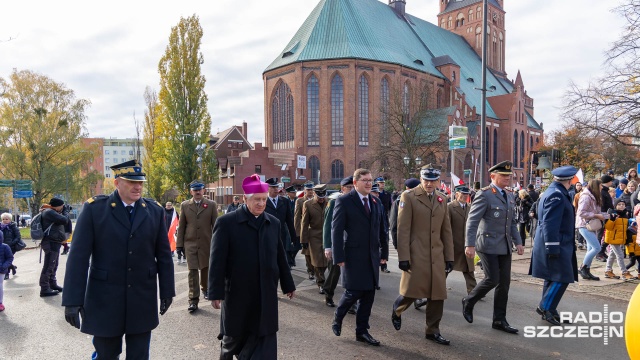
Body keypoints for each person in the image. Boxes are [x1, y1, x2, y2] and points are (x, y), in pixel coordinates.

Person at [62, 160, 175, 359]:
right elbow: (78, 258)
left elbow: (164, 256)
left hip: (142, 298)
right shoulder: (95, 210)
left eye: (140, 182)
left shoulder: (154, 211)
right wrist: (72, 300)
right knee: (106, 354)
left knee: (139, 355)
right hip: (105, 299)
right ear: (117, 183)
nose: (138, 186)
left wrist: (167, 291)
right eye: (131, 182)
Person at [209, 174, 295, 359]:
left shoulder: (273, 223)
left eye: (264, 199)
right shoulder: (226, 223)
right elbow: (217, 261)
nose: (261, 204)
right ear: (245, 199)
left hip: (266, 293)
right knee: (233, 340)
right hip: (238, 294)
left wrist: (288, 284)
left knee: (264, 339)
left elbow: (280, 256)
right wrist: (215, 293)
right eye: (257, 199)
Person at [392, 164, 454, 345]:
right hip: (416, 252)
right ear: (420, 179)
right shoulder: (409, 197)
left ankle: (432, 330)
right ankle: (397, 309)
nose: (429, 183)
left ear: (438, 181)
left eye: (433, 180)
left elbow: (446, 231)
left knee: (437, 294)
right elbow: (403, 229)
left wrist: (449, 257)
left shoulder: (442, 199)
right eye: (426, 179)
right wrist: (403, 257)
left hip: (437, 254)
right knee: (412, 290)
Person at [462, 160, 524, 334]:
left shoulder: (510, 195)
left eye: (508, 176)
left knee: (504, 283)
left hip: (504, 245)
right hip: (487, 244)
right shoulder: (485, 194)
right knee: (492, 279)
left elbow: (512, 223)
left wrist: (518, 241)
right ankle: (469, 300)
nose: (507, 178)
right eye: (503, 175)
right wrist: (470, 244)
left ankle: (499, 319)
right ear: (492, 176)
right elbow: (472, 221)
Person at [331, 168, 387, 346]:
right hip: (353, 255)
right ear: (355, 183)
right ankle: (338, 317)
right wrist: (338, 255)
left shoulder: (376, 202)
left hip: (371, 255)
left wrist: (384, 253)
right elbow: (336, 230)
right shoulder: (344, 201)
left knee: (369, 294)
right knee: (353, 292)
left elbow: (381, 230)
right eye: (365, 180)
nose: (369, 183)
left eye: (371, 180)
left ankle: (362, 331)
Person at [529, 166, 579, 326]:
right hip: (556, 243)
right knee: (562, 277)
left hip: (557, 242)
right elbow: (549, 224)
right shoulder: (556, 196)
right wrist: (552, 247)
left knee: (552, 278)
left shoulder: (556, 193)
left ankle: (550, 309)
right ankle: (545, 306)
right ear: (569, 180)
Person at [177, 179, 218, 313]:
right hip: (190, 243)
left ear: (204, 190)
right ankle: (193, 300)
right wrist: (179, 246)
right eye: (195, 190)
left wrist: (218, 244)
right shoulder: (184, 205)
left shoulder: (211, 205)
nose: (198, 192)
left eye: (200, 189)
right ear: (191, 192)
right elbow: (182, 226)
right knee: (192, 271)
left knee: (206, 268)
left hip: (207, 243)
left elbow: (216, 226)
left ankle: (205, 289)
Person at [323, 176, 354, 307]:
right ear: (342, 188)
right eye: (349, 187)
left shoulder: (357, 200)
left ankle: (352, 303)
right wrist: (328, 246)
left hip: (352, 244)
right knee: (334, 272)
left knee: (353, 273)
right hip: (338, 243)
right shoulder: (335, 201)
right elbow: (328, 225)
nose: (352, 190)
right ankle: (328, 293)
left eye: (353, 187)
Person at [576, 179, 609, 281]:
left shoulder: (593, 196)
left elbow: (597, 212)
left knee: (591, 249)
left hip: (590, 225)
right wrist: (596, 215)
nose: (602, 187)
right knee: (597, 248)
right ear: (596, 186)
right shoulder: (586, 197)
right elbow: (581, 213)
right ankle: (583, 267)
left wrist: (609, 216)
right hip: (584, 225)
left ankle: (587, 271)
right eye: (600, 186)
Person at [39, 197, 71, 297]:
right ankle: (44, 288)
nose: (63, 208)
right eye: (62, 206)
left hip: (54, 242)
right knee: (49, 265)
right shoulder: (49, 212)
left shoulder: (52, 212)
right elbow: (65, 220)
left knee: (53, 264)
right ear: (57, 206)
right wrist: (65, 211)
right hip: (50, 242)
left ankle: (52, 284)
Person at [448, 185, 477, 295]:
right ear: (456, 194)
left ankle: (473, 291)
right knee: (446, 268)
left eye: (467, 194)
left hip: (467, 244)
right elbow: (447, 227)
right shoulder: (450, 207)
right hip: (454, 244)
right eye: (463, 194)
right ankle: (438, 287)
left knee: (469, 268)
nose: (465, 196)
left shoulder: (470, 207)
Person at [301, 184, 329, 294]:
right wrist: (303, 240)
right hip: (314, 236)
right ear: (314, 194)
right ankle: (321, 282)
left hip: (328, 235)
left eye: (323, 196)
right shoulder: (307, 204)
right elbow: (304, 223)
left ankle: (322, 278)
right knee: (317, 261)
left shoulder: (330, 202)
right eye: (319, 196)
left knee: (327, 261)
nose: (321, 199)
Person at [264, 178, 297, 269]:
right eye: (273, 187)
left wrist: (294, 237)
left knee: (281, 256)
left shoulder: (284, 201)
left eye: (276, 187)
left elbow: (289, 221)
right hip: (267, 234)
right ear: (267, 188)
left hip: (281, 234)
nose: (276, 189)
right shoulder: (263, 201)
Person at [603, 199, 635, 280]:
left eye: (623, 204)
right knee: (620, 255)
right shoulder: (612, 214)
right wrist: (612, 219)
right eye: (619, 204)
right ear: (616, 205)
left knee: (612, 254)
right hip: (613, 238)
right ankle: (624, 272)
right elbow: (608, 227)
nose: (621, 206)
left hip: (619, 239)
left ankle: (608, 270)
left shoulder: (625, 215)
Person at [295, 181, 316, 280]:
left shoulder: (318, 200)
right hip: (306, 231)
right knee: (307, 253)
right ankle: (310, 271)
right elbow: (297, 218)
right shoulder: (299, 201)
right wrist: (298, 233)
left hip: (316, 231)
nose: (310, 192)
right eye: (308, 190)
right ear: (304, 190)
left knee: (317, 252)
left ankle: (317, 270)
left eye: (311, 189)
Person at [371, 183, 390, 275]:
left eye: (378, 193)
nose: (377, 195)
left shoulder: (379, 204)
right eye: (375, 193)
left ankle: (383, 266)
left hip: (380, 233)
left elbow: (384, 219)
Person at [596, 175, 615, 262]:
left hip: (606, 215)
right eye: (611, 181)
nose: (612, 182)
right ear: (608, 181)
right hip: (603, 216)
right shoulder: (603, 192)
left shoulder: (605, 191)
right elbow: (602, 205)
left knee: (605, 235)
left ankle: (602, 251)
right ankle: (599, 253)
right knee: (600, 235)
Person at [1, 213, 21, 280]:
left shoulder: (13, 226)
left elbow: (18, 237)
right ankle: (12, 267)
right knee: (5, 260)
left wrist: (12, 243)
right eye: (3, 219)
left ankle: (7, 274)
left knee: (7, 259)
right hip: (2, 246)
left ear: (10, 219)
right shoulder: (0, 227)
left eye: (6, 219)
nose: (4, 220)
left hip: (11, 247)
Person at [571, 182, 586, 250]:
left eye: (580, 185)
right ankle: (580, 242)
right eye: (578, 185)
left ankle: (584, 242)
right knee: (580, 228)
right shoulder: (577, 195)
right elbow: (575, 205)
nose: (579, 187)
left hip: (587, 215)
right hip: (579, 214)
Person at [0, 241, 13, 312]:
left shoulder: (5, 246)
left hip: (1, 270)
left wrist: (4, 266)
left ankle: (0, 303)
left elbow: (10, 258)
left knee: (0, 285)